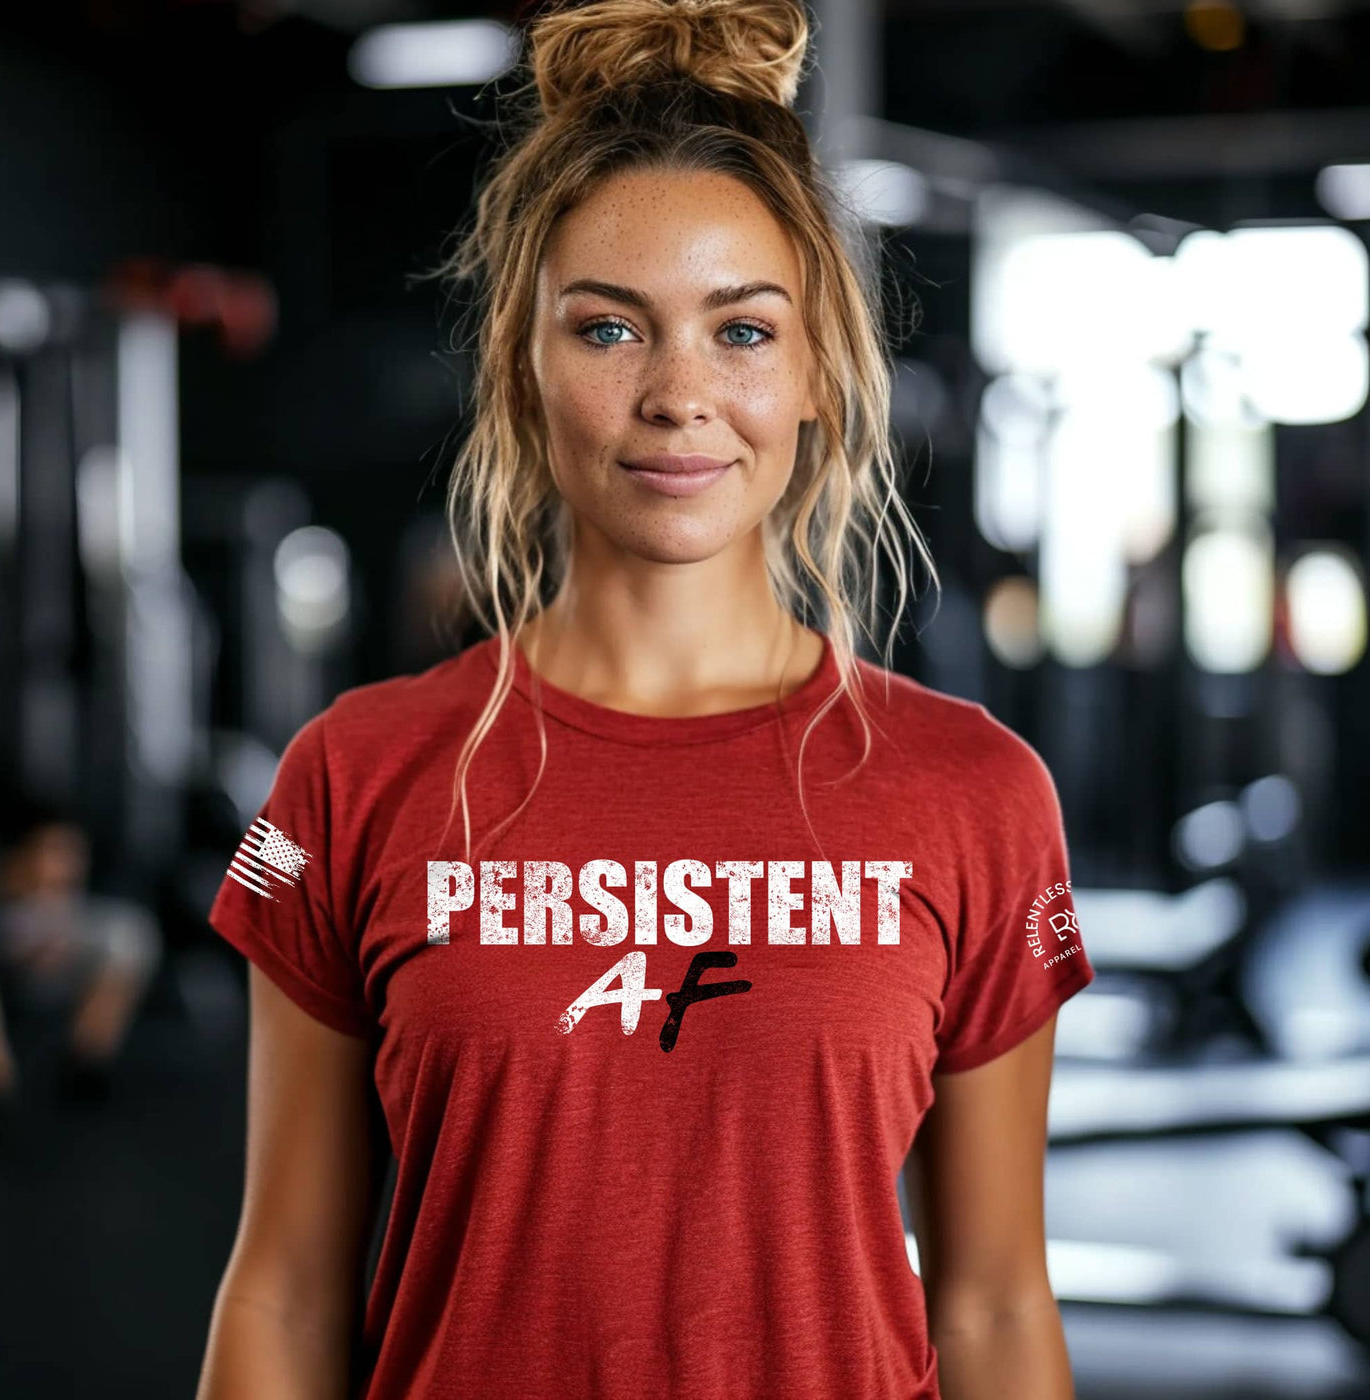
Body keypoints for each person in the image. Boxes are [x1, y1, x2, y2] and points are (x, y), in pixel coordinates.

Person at [196, 2, 1096, 1397]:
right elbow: (284, 1294)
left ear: (813, 375)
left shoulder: (970, 793)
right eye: (610, 330)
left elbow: (989, 1308)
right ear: (522, 366)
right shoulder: (360, 773)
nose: (680, 394)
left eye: (742, 332)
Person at [0, 787, 163, 1106]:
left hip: (57, 957)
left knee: (130, 933)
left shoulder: (77, 898)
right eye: (55, 851)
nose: (69, 864)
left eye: (74, 853)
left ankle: (86, 1062)